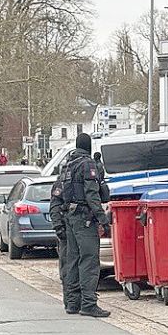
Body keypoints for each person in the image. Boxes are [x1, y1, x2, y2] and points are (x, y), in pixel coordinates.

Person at [58, 133, 111, 317]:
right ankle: (88, 304)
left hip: (69, 217)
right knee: (89, 260)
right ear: (89, 146)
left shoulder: (67, 165)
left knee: (72, 259)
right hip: (84, 218)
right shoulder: (86, 163)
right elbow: (91, 194)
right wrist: (103, 218)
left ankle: (72, 303)